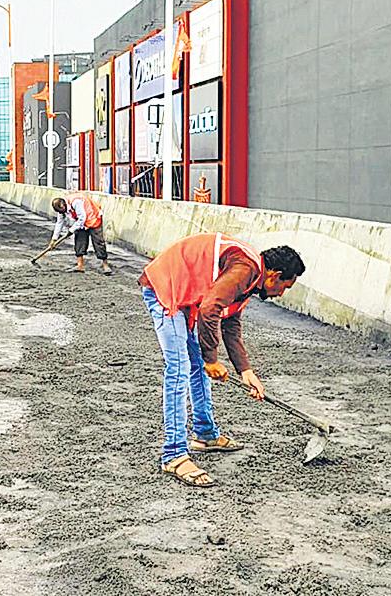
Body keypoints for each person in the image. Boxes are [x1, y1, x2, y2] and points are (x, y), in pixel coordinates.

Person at [139, 233, 305, 487]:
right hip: (165, 289)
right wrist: (212, 359)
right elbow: (209, 309)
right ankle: (173, 454)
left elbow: (230, 322)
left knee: (196, 366)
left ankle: (205, 434)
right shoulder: (245, 269)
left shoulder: (250, 278)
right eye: (285, 286)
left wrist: (245, 371)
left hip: (183, 295)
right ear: (274, 274)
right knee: (180, 367)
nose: (281, 293)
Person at [51, 193, 112, 275]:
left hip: (93, 217)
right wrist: (54, 239)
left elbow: (82, 218)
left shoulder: (76, 202)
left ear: (64, 205)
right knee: (79, 240)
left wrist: (71, 230)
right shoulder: (61, 209)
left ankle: (105, 265)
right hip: (81, 221)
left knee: (98, 241)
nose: (63, 213)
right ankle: (80, 265)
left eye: (62, 211)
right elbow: (59, 223)